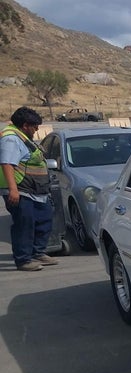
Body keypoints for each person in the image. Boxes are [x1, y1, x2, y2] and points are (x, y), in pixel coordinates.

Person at [1, 106, 58, 271]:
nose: (37, 129)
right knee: (24, 224)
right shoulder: (11, 139)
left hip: (36, 191)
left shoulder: (22, 136)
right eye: (35, 126)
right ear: (25, 125)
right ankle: (24, 259)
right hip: (21, 190)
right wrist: (13, 190)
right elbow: (7, 164)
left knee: (44, 219)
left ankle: (38, 252)